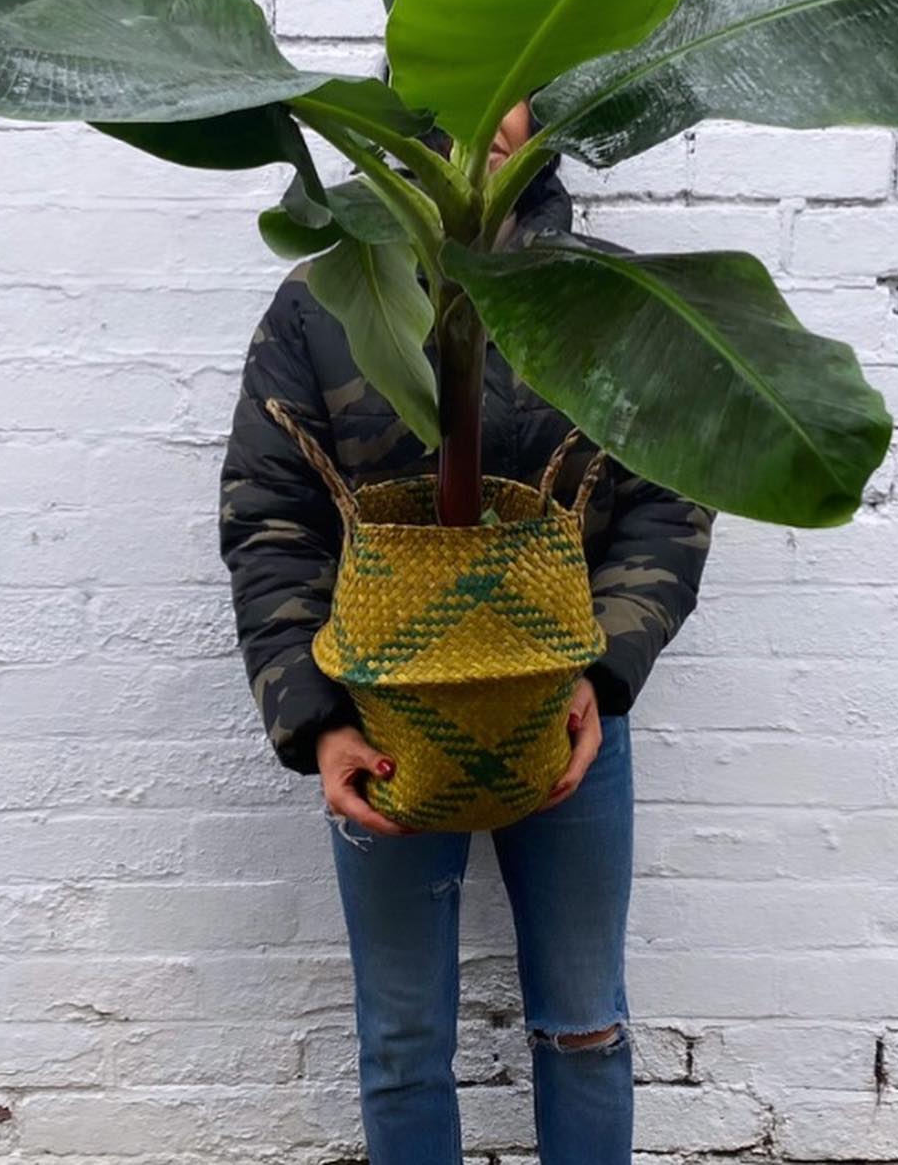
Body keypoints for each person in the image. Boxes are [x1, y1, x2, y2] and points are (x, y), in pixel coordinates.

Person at [219, 92, 714, 1165]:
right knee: (403, 1041)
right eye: (468, 74)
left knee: (585, 1025)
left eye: (522, 80)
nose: (495, 103)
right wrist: (316, 724)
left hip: (569, 715)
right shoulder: (324, 302)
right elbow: (271, 523)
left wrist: (607, 674)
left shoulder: (609, 298)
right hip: (381, 720)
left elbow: (672, 499)